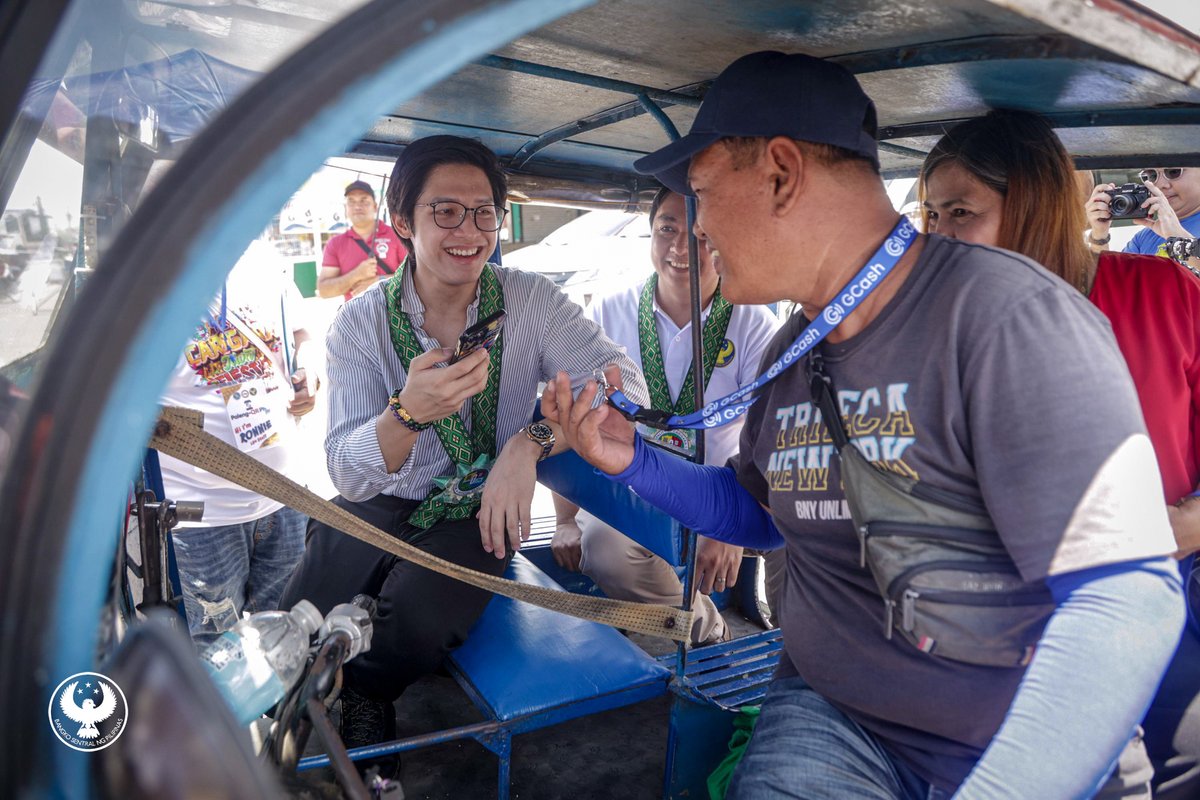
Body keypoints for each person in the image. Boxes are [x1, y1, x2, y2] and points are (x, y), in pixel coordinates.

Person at [543, 51, 1184, 799]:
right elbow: (758, 513)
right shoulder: (792, 349)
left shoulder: (1009, 316)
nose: (699, 227)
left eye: (703, 194)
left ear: (781, 174)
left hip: (1018, 747)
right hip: (835, 717)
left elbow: (1125, 596)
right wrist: (632, 459)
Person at [278, 135, 647, 752]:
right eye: (445, 211)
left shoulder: (529, 300)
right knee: (300, 614)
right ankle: (284, 721)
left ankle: (367, 693)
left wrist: (528, 443)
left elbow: (624, 387)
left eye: (484, 213)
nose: (469, 232)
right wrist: (407, 415)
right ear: (403, 221)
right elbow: (347, 473)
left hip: (479, 508)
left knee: (417, 622)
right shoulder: (361, 321)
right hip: (383, 497)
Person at [919, 107, 1200, 800]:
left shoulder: (1166, 293)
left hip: (1171, 598)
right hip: (1006, 622)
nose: (937, 236)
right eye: (931, 215)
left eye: (960, 212)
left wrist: (1184, 526)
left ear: (1037, 207)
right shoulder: (935, 324)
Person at [551, 187, 780, 645]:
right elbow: (576, 414)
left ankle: (795, 653)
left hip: (721, 492)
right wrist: (564, 519)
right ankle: (708, 629)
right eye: (667, 230)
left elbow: (771, 439)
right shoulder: (609, 312)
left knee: (803, 534)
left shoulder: (755, 324)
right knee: (605, 550)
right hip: (633, 489)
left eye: (700, 235)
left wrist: (729, 528)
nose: (680, 249)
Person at [158, 236, 319, 647]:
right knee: (215, 651)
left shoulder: (261, 254)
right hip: (202, 516)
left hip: (285, 498)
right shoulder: (150, 272)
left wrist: (310, 370)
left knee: (286, 640)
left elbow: (301, 333)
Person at [316, 179, 407, 300]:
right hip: (353, 312)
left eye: (364, 201)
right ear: (345, 208)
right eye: (351, 201)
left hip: (393, 311)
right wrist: (356, 274)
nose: (357, 206)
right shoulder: (335, 244)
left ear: (375, 207)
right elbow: (324, 290)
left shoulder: (397, 235)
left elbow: (416, 278)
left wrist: (378, 282)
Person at [1086, 165, 1200, 257]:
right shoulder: (1144, 237)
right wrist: (1099, 235)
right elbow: (1111, 277)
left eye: (1174, 172)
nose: (1160, 185)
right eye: (1151, 175)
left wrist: (1177, 236)